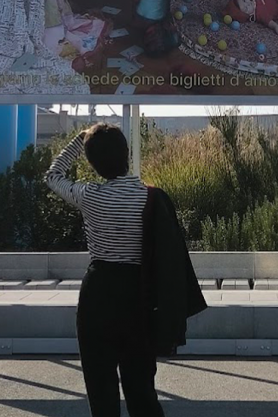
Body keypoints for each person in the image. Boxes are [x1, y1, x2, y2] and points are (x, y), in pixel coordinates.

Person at [45, 124, 205, 417]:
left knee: (100, 389)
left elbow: (53, 176)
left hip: (98, 294)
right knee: (141, 389)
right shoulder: (150, 197)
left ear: (92, 163)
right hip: (138, 296)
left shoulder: (89, 195)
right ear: (127, 155)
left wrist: (80, 140)